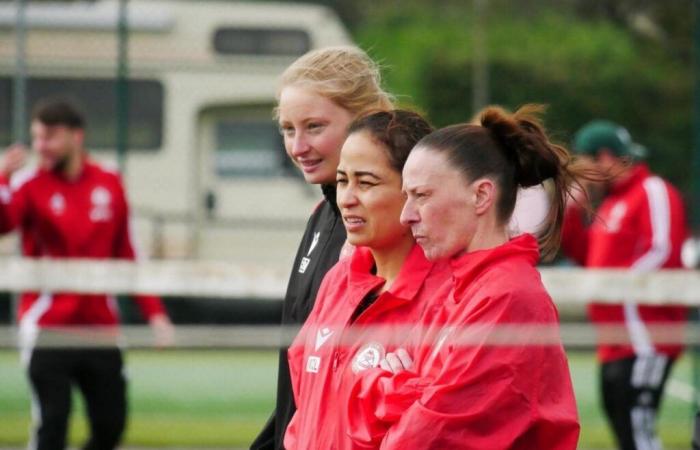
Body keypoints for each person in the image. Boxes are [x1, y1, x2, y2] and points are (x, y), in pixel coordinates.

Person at [347, 104, 583, 449]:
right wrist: (405, 390)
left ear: (481, 195)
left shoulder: (508, 299)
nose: (406, 216)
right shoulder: (455, 290)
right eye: (406, 197)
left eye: (422, 196)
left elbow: (424, 439)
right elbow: (363, 422)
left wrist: (390, 385)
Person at [0, 98, 173, 450]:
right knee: (52, 425)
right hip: (48, 328)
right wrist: (2, 177)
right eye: (37, 138)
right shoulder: (29, 184)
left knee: (110, 427)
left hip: (100, 328)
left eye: (49, 137)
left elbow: (127, 253)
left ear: (76, 137)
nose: (40, 147)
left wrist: (154, 313)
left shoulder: (108, 182)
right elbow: (4, 224)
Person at [250, 46, 393, 450]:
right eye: (288, 129)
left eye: (314, 127)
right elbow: (306, 368)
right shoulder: (324, 214)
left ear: (363, 120)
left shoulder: (394, 222)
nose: (297, 147)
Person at [283, 110, 449, 449]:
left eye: (366, 183)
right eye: (343, 181)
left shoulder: (447, 300)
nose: (346, 198)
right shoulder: (338, 281)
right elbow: (304, 413)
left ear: (414, 191)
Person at [561, 120, 688, 450]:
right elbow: (588, 259)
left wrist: (618, 286)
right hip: (613, 339)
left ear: (603, 158)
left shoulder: (652, 190)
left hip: (644, 336)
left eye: (585, 163)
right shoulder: (611, 203)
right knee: (623, 430)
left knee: (637, 435)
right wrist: (572, 212)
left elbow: (661, 251)